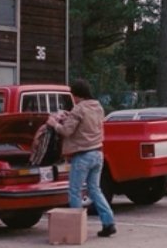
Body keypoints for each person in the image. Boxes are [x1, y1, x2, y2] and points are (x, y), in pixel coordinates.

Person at [47, 79, 116, 238]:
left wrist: (53, 124)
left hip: (82, 155)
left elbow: (66, 131)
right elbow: (85, 125)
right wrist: (69, 115)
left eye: (73, 95)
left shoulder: (79, 108)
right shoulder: (98, 106)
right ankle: (108, 222)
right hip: (98, 153)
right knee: (95, 190)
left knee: (75, 191)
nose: (73, 98)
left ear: (77, 95)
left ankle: (76, 228)